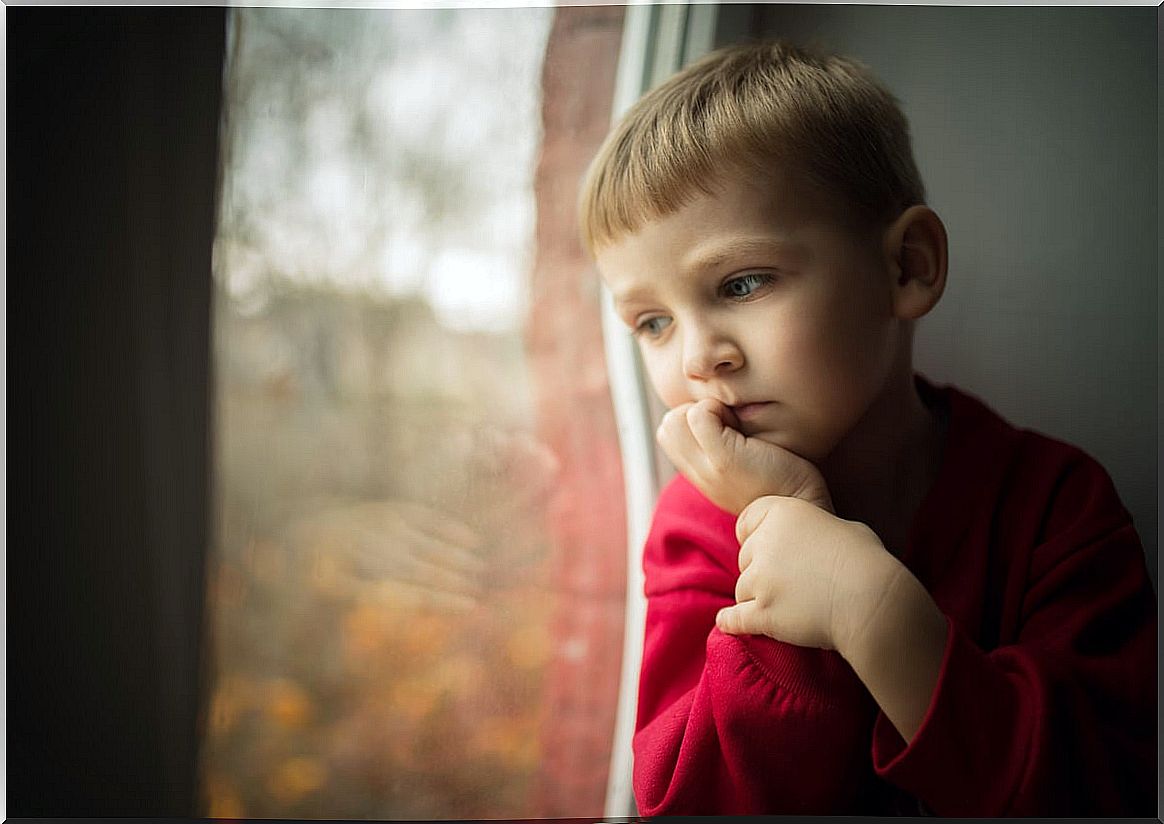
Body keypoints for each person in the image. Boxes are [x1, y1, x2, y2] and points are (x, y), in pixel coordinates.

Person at [578, 40, 1156, 816]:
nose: (696, 358)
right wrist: (782, 522)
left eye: (741, 282)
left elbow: (1105, 791)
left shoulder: (1058, 506)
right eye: (652, 322)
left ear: (907, 267)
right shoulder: (695, 528)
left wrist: (874, 615)